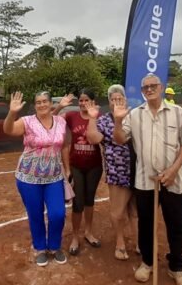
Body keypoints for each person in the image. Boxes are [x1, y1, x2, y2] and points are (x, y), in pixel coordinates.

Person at [114, 74, 182, 285]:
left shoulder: (177, 113)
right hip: (145, 181)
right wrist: (118, 120)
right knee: (147, 224)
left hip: (173, 180)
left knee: (176, 225)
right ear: (142, 91)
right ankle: (147, 263)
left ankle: (176, 268)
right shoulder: (135, 115)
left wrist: (173, 170)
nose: (149, 89)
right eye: (145, 87)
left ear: (161, 87)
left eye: (153, 86)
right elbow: (120, 139)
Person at [4, 91, 69, 267]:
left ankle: (54, 246)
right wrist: (12, 112)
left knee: (58, 214)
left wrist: (67, 169)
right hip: (28, 177)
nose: (41, 105)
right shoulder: (27, 121)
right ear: (35, 105)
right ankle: (40, 248)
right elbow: (8, 129)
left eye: (44, 101)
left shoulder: (61, 121)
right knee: (35, 214)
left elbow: (63, 146)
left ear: (50, 103)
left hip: (54, 176)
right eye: (38, 102)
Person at [85, 84, 139, 261]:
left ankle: (139, 242)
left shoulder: (135, 116)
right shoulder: (104, 120)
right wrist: (92, 118)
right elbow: (93, 138)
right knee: (118, 212)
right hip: (117, 171)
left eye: (119, 98)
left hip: (139, 171)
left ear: (125, 99)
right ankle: (120, 242)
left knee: (136, 212)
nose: (116, 101)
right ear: (109, 102)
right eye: (113, 99)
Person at [60, 88, 103, 255]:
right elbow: (52, 119)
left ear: (92, 101)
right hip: (76, 165)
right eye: (81, 101)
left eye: (86, 100)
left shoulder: (99, 117)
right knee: (78, 202)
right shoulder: (71, 116)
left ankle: (88, 232)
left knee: (89, 200)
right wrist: (68, 169)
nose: (83, 103)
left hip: (94, 165)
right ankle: (75, 236)